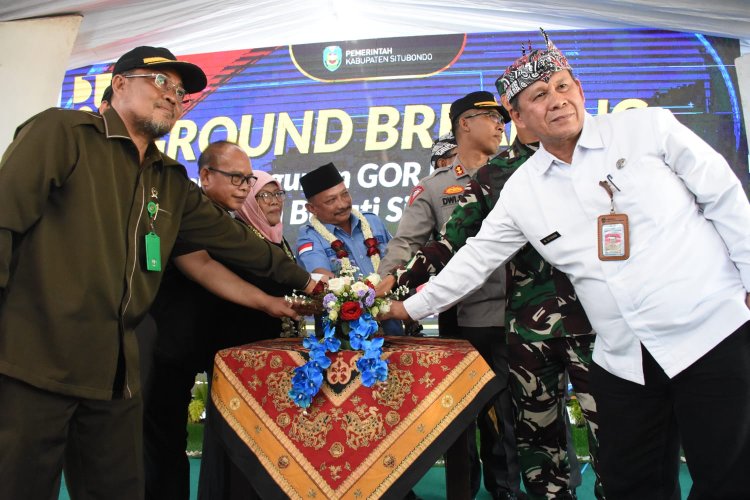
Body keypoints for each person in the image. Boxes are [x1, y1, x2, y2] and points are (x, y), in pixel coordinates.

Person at [384, 29, 750, 500]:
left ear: (580, 89)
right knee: (630, 484)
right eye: (538, 96)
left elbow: (724, 196)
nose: (556, 101)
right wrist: (406, 309)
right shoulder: (522, 188)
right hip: (624, 362)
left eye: (562, 86)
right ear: (518, 116)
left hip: (709, 335)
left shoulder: (649, 129)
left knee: (727, 477)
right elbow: (473, 259)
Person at [0, 46, 316, 500]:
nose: (172, 96)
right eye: (160, 82)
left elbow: (240, 245)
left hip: (116, 374)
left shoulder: (169, 181)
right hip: (36, 362)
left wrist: (307, 283)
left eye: (181, 92)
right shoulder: (63, 132)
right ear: (121, 84)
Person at [394, 107, 602, 498]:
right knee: (535, 441)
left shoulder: (589, 155)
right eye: (532, 100)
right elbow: (453, 241)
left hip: (595, 320)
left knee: (616, 435)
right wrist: (395, 288)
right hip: (527, 329)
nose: (501, 124)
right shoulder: (495, 175)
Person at [380, 91, 523, 499]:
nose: (500, 125)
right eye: (490, 117)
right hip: (465, 325)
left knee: (513, 427)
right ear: (464, 123)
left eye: (503, 120)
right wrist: (383, 289)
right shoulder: (435, 187)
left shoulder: (517, 176)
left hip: (521, 318)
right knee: (462, 425)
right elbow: (405, 245)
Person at [144, 141, 304, 500]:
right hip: (164, 346)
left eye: (248, 180)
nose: (244, 187)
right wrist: (269, 300)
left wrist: (271, 302)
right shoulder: (186, 213)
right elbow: (201, 267)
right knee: (161, 441)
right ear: (205, 176)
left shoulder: (229, 222)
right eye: (236, 178)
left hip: (197, 349)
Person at [296, 162, 402, 335]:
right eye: (331, 200)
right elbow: (323, 280)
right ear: (312, 209)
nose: (342, 204)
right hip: (342, 338)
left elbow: (396, 261)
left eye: (344, 194)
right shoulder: (309, 236)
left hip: (391, 329)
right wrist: (367, 301)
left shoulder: (372, 222)